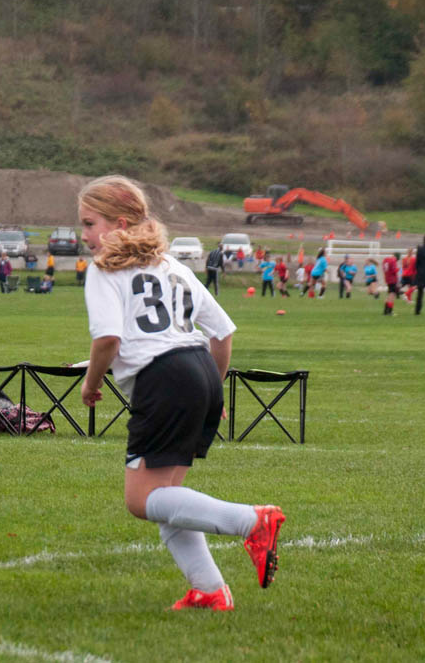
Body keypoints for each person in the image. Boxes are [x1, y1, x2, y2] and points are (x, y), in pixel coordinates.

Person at [77, 175, 284, 612]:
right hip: (201, 370)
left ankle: (252, 522)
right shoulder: (173, 266)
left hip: (164, 379)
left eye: (89, 223)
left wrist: (90, 384)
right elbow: (222, 333)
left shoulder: (103, 270)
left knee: (141, 500)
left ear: (119, 224)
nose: (85, 235)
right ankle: (209, 589)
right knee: (167, 497)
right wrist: (214, 391)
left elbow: (107, 339)